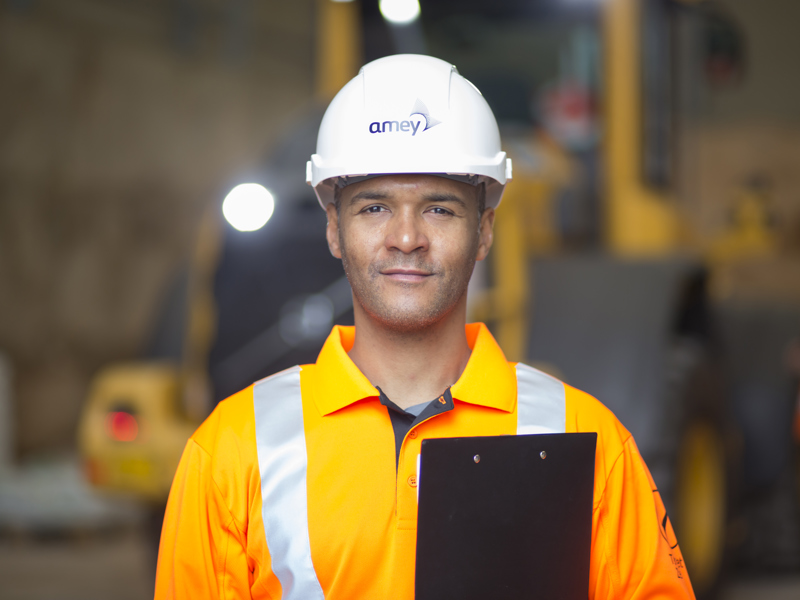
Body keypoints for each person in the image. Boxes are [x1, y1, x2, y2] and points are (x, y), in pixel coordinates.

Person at [154, 54, 695, 600]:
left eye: (439, 209)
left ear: (484, 233)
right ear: (334, 231)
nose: (406, 237)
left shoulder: (585, 437)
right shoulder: (235, 449)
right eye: (373, 208)